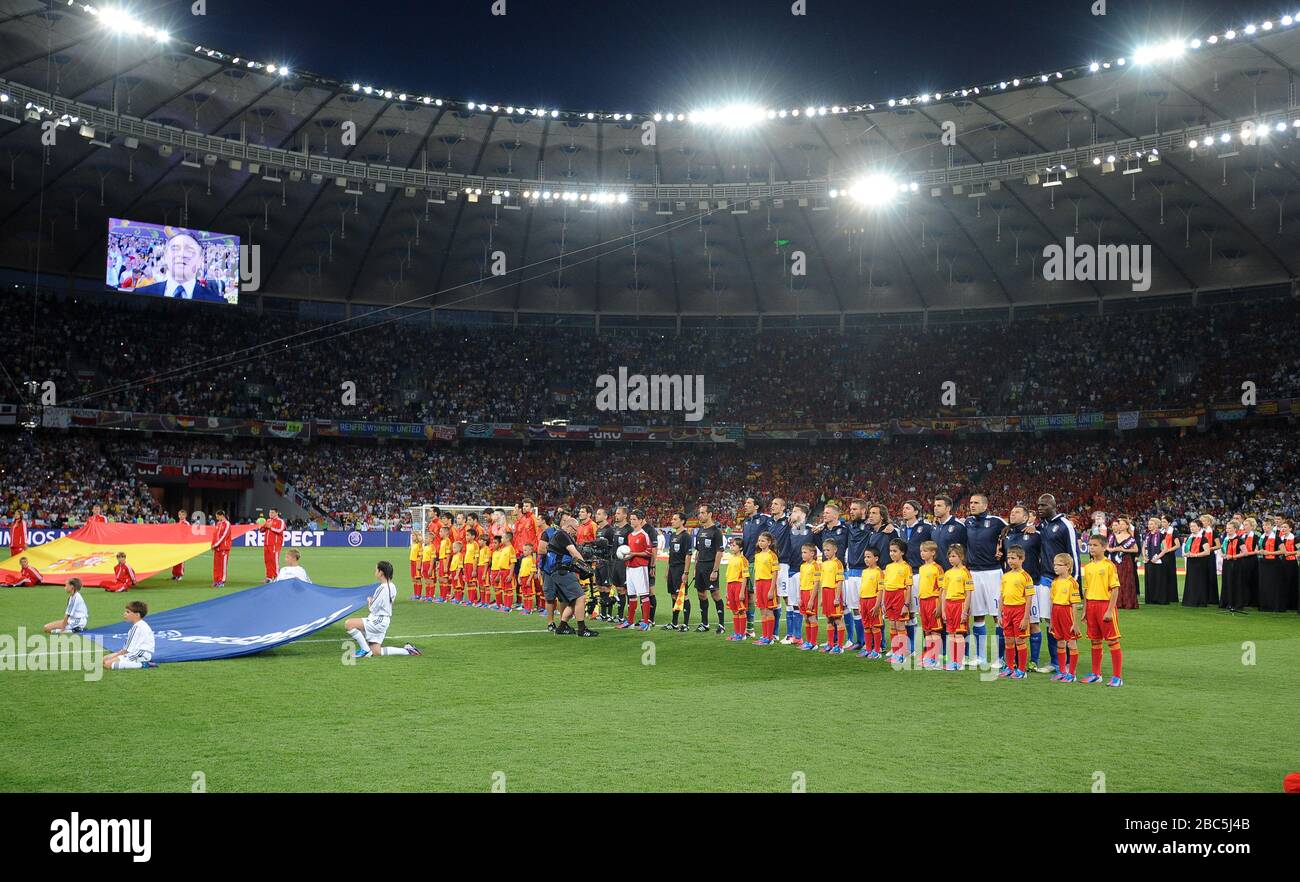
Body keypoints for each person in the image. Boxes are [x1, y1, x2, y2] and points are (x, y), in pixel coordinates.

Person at [1036, 494, 1080, 674]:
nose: (1039, 508)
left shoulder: (1065, 525)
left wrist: (1073, 581)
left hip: (1064, 580)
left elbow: (1074, 554)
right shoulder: (1043, 525)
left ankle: (1068, 661)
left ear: (1053, 505)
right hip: (1046, 578)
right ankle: (1056, 661)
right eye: (1038, 505)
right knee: (1050, 620)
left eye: (1043, 505)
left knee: (1065, 621)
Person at [964, 493, 1007, 669]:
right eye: (970, 502)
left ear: (985, 505)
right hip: (973, 573)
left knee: (998, 616)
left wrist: (1001, 549)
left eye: (976, 503)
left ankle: (1000, 657)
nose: (972, 505)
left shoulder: (996, 521)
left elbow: (1011, 531)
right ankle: (980, 656)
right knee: (978, 616)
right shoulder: (967, 522)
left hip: (993, 573)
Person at [538, 512, 598, 637]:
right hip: (563, 571)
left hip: (558, 572)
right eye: (575, 530)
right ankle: (582, 629)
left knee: (572, 601)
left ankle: (562, 626)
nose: (575, 533)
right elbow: (573, 552)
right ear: (570, 527)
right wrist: (586, 567)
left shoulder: (557, 535)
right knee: (580, 598)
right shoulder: (562, 534)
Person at [344, 562, 419, 657]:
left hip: (378, 619)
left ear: (381, 573)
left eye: (376, 569)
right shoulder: (392, 586)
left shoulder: (382, 588)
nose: (375, 572)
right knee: (376, 651)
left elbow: (373, 608)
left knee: (349, 624)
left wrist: (369, 601)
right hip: (384, 620)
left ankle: (365, 650)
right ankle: (407, 651)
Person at [1080, 535, 1124, 686]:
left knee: (1112, 641)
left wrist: (1109, 610)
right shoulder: (1089, 566)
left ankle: (1117, 677)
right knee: (1095, 640)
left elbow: (1115, 589)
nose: (1091, 548)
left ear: (1104, 547)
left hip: (1105, 606)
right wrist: (1085, 609)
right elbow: (1086, 590)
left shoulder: (1108, 565)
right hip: (1091, 606)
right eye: (1090, 545)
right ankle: (1096, 674)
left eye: (1095, 545)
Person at [133, 233, 228, 301]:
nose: (182, 254)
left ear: (200, 260)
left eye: (190, 250)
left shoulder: (217, 302)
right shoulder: (140, 295)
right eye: (175, 249)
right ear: (165, 256)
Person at [998, 547, 1034, 680]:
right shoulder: (1005, 576)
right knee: (1008, 640)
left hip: (1019, 610)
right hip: (1007, 610)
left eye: (1013, 558)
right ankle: (1010, 667)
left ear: (1022, 559)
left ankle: (1022, 670)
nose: (1010, 561)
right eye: (1008, 558)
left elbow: (1029, 598)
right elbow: (1001, 596)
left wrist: (1026, 618)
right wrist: (999, 614)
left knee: (1020, 640)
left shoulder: (1026, 577)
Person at [690, 503, 726, 635]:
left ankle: (721, 624)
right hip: (700, 567)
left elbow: (719, 552)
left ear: (710, 514)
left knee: (715, 594)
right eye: (699, 513)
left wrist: (715, 570)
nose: (700, 515)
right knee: (701, 594)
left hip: (710, 567)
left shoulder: (716, 531)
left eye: (703, 513)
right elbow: (698, 552)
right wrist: (695, 568)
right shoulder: (699, 531)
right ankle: (704, 623)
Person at [1047, 553, 1083, 683]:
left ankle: (1072, 674)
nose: (1055, 567)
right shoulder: (1055, 582)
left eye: (1059, 565)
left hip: (1066, 612)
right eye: (1054, 564)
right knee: (1060, 642)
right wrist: (1051, 620)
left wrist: (1075, 623)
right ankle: (1062, 671)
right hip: (1056, 612)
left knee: (1071, 643)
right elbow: (1052, 602)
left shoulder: (1072, 583)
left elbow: (1074, 605)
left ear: (1068, 566)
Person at [618, 510, 654, 631]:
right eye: (631, 519)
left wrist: (633, 554)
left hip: (640, 568)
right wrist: (627, 556)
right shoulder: (630, 535)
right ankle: (630, 621)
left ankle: (646, 623)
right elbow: (630, 552)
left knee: (644, 595)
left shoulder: (644, 535)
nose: (632, 521)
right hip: (630, 568)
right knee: (632, 595)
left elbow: (649, 552)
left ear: (640, 520)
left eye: (634, 519)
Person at [939, 546, 974, 670]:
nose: (951, 559)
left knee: (959, 634)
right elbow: (944, 592)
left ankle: (958, 662)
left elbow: (968, 594)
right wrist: (943, 610)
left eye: (954, 556)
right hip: (949, 605)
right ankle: (952, 660)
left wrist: (965, 612)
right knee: (951, 633)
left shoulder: (966, 573)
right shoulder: (947, 573)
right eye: (949, 556)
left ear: (961, 557)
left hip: (960, 604)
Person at [882, 538, 913, 664]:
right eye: (890, 551)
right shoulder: (888, 567)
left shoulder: (906, 567)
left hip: (899, 596)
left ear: (902, 552)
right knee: (892, 625)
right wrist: (883, 602)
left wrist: (906, 604)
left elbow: (909, 586)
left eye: (895, 551)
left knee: (900, 625)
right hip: (889, 597)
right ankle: (895, 652)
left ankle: (903, 653)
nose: (892, 553)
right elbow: (885, 585)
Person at [102, 600, 156, 670]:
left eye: (128, 612)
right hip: (138, 653)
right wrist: (115, 656)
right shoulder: (140, 625)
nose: (124, 614)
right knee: (103, 660)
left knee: (107, 664)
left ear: (137, 615)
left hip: (139, 654)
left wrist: (116, 656)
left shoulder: (137, 627)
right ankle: (139, 662)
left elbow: (127, 650)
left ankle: (142, 664)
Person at [915, 540, 944, 669]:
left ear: (933, 553)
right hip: (923, 601)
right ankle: (928, 655)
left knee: (935, 631)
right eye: (921, 551)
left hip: (933, 600)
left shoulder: (937, 568)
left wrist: (939, 606)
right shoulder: (921, 568)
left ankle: (936, 657)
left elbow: (942, 588)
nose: (922, 553)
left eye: (925, 551)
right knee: (927, 631)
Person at [663, 512, 693, 632]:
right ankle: (674, 622)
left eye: (675, 519)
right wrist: (667, 569)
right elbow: (671, 555)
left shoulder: (685, 536)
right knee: (674, 595)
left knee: (683, 595)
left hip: (680, 569)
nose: (672, 521)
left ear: (682, 521)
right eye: (672, 519)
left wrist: (686, 572)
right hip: (672, 568)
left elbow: (688, 555)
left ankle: (685, 624)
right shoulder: (673, 536)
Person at [752, 531, 780, 645]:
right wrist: (754, 587)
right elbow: (756, 572)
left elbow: (775, 573)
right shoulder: (757, 555)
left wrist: (772, 589)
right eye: (759, 541)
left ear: (769, 542)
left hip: (768, 584)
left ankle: (770, 637)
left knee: (769, 611)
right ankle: (764, 636)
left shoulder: (772, 555)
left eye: (763, 541)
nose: (760, 543)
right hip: (759, 584)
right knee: (762, 611)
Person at [1142, 516, 1178, 604]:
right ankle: (1150, 599)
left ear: (1156, 525)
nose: (1149, 525)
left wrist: (1158, 557)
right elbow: (1143, 547)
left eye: (1151, 524)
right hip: (1148, 560)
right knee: (1150, 580)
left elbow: (1165, 548)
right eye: (1149, 524)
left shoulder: (1161, 535)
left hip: (1158, 561)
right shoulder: (1147, 535)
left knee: (1158, 580)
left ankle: (1159, 598)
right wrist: (1144, 556)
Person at [857, 547, 885, 659]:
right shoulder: (864, 572)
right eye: (865, 557)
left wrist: (877, 605)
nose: (866, 559)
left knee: (875, 627)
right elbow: (862, 588)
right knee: (866, 626)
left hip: (873, 601)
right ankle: (868, 649)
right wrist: (860, 603)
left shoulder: (879, 572)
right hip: (864, 601)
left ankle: (877, 651)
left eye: (869, 557)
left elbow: (880, 589)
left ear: (876, 558)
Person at [1106, 517, 1140, 610]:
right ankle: (1116, 602)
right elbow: (1107, 547)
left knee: (1127, 581)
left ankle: (1127, 602)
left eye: (1122, 524)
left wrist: (1123, 549)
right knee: (1116, 581)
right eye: (1119, 524)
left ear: (1127, 526)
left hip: (1126, 560)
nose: (1120, 526)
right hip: (1115, 561)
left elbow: (1136, 549)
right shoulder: (1113, 535)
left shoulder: (1130, 537)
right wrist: (1113, 549)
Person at [1181, 518, 1217, 607]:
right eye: (1191, 526)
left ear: (1199, 527)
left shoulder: (1203, 539)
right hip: (1191, 562)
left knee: (1199, 582)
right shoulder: (1190, 538)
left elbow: (1207, 551)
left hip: (1200, 563)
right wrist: (1187, 554)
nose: (1192, 528)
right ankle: (1190, 600)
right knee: (1191, 581)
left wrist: (1195, 555)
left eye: (1194, 526)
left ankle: (1199, 601)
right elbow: (1185, 550)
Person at [818, 537, 845, 653]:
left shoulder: (838, 564)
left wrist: (837, 597)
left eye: (828, 550)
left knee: (838, 620)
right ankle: (830, 643)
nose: (826, 552)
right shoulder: (824, 564)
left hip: (834, 593)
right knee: (829, 620)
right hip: (826, 593)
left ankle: (839, 646)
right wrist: (822, 598)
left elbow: (839, 581)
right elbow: (822, 582)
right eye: (824, 550)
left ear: (835, 550)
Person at [723, 536, 751, 642]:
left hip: (739, 585)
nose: (732, 546)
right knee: (734, 610)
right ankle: (736, 632)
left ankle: (742, 634)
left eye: (734, 545)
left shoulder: (743, 560)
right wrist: (726, 590)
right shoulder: (731, 558)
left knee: (741, 610)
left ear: (740, 548)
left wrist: (742, 591)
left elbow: (745, 576)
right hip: (730, 586)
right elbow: (728, 576)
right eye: (732, 545)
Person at [796, 543, 821, 651]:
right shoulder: (802, 566)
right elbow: (801, 582)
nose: (803, 554)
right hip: (803, 593)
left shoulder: (815, 566)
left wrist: (811, 599)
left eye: (805, 552)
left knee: (812, 617)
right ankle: (808, 641)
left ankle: (813, 643)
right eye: (802, 552)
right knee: (806, 618)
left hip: (811, 593)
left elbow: (816, 584)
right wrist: (799, 597)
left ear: (812, 553)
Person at [259, 510, 286, 582]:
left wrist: (270, 527)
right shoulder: (268, 520)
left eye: (272, 512)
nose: (270, 514)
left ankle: (277, 577)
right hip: (266, 544)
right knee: (267, 561)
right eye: (269, 512)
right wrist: (263, 526)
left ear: (277, 513)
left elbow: (280, 530)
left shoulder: (280, 521)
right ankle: (269, 577)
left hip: (275, 544)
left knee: (274, 561)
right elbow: (261, 530)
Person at [211, 510, 232, 589]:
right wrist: (212, 545)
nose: (216, 518)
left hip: (224, 547)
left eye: (217, 516)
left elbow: (224, 536)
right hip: (217, 548)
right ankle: (216, 580)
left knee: (223, 565)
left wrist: (216, 544)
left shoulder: (227, 524)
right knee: (216, 565)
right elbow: (215, 535)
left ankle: (222, 581)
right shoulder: (218, 523)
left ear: (222, 515)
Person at [171, 509, 189, 580]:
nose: (180, 516)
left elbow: (187, 534)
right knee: (175, 559)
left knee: (181, 559)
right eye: (179, 514)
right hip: (177, 544)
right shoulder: (178, 523)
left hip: (182, 544)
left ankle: (180, 574)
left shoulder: (186, 523)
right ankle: (175, 574)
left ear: (185, 515)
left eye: (182, 514)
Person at [409, 530, 424, 600]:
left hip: (417, 562)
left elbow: (421, 555)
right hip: (412, 562)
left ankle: (419, 594)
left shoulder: (419, 544)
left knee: (418, 579)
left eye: (414, 535)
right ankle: (415, 594)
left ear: (417, 536)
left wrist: (419, 564)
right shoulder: (413, 544)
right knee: (414, 579)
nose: (412, 537)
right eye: (412, 535)